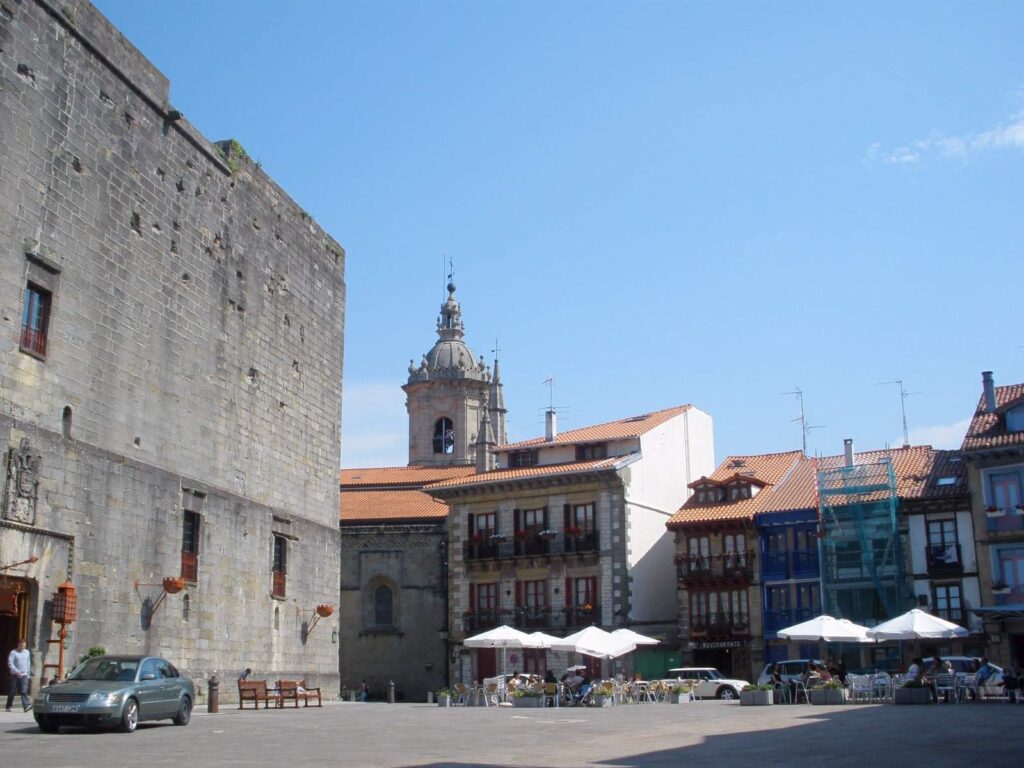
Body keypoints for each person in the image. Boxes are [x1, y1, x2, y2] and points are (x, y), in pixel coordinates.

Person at [6, 638, 31, 712]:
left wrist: (28, 673)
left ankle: (26, 706)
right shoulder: (13, 652)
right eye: (21, 645)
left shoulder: (27, 652)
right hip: (15, 675)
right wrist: (17, 672)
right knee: (12, 691)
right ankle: (8, 705)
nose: (23, 647)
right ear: (18, 645)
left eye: (24, 645)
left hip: (24, 675)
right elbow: (10, 663)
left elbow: (28, 663)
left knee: (24, 691)